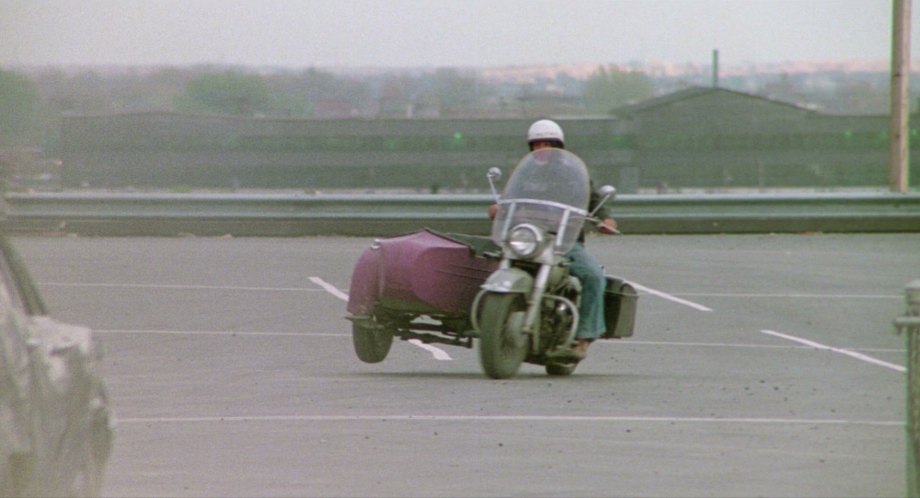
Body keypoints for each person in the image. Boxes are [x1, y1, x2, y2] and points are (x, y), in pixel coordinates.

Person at [491, 119, 618, 361]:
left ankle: (584, 337)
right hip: (526, 238)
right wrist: (498, 207)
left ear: (558, 146)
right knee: (483, 261)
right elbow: (509, 197)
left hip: (562, 242)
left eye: (548, 144)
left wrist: (605, 219)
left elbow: (592, 199)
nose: (542, 149)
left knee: (593, 275)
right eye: (537, 144)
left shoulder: (572, 174)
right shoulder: (524, 173)